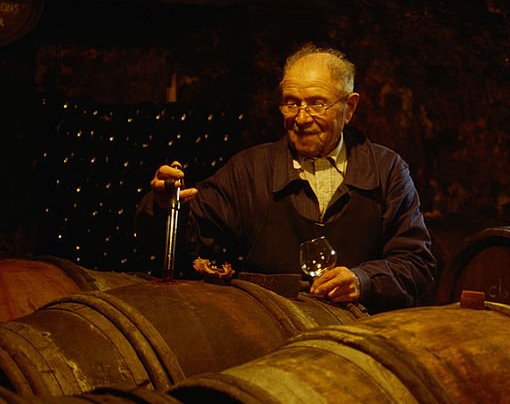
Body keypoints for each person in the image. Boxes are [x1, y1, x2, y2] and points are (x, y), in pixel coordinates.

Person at [136, 44, 436, 313]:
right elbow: (185, 243)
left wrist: (364, 281)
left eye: (317, 103)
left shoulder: (387, 170)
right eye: (291, 103)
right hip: (269, 334)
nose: (302, 118)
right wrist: (165, 207)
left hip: (358, 340)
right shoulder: (249, 170)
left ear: (349, 108)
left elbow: (416, 265)